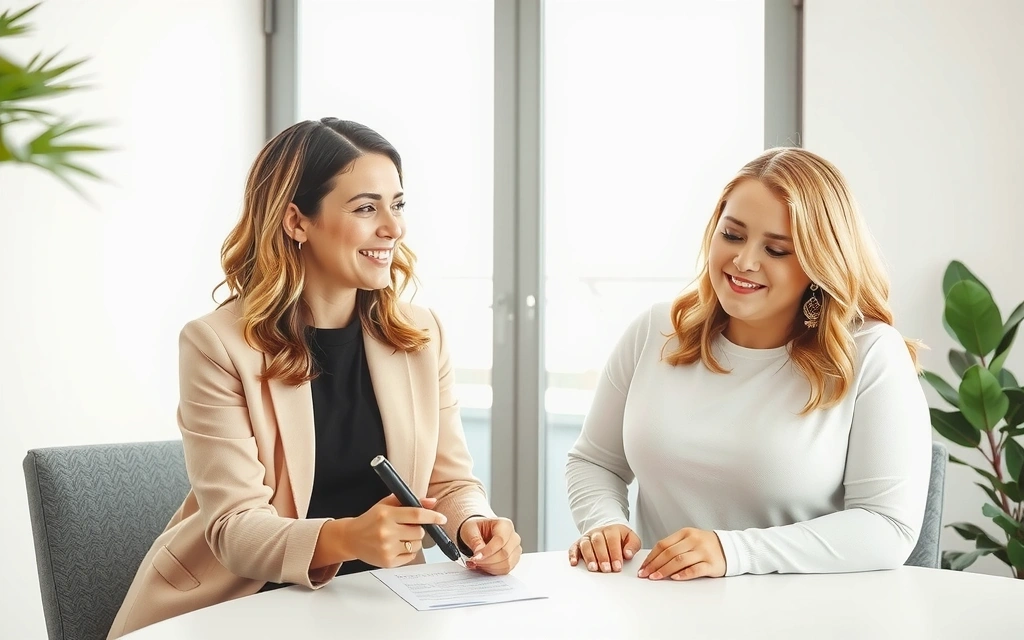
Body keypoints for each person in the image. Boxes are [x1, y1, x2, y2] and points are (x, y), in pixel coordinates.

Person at [109, 118, 521, 638]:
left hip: (378, 605)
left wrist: (474, 523)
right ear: (296, 221)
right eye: (366, 208)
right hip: (240, 604)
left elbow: (450, 481)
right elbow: (234, 529)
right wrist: (345, 539)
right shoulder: (217, 345)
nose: (393, 228)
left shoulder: (421, 334)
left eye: (397, 204)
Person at [565, 147, 931, 581]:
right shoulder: (656, 330)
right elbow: (595, 462)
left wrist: (734, 551)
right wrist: (606, 524)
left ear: (820, 263)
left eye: (776, 249)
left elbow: (888, 527)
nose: (744, 261)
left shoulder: (871, 354)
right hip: (660, 609)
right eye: (733, 236)